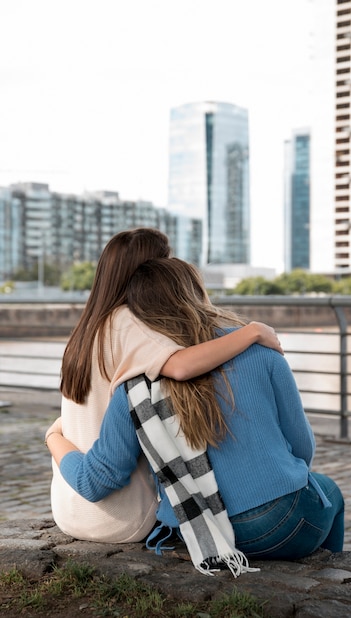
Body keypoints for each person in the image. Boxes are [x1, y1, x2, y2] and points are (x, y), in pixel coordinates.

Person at [46, 256, 344, 571]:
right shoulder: (261, 352)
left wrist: (53, 437)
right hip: (284, 521)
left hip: (197, 532)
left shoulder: (132, 389)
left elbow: (95, 480)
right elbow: (302, 448)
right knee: (331, 493)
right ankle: (334, 579)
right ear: (198, 295)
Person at [48, 228, 283, 544]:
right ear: (150, 271)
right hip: (120, 515)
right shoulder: (127, 323)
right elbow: (181, 365)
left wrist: (52, 435)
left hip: (69, 508)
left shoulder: (86, 329)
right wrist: (252, 332)